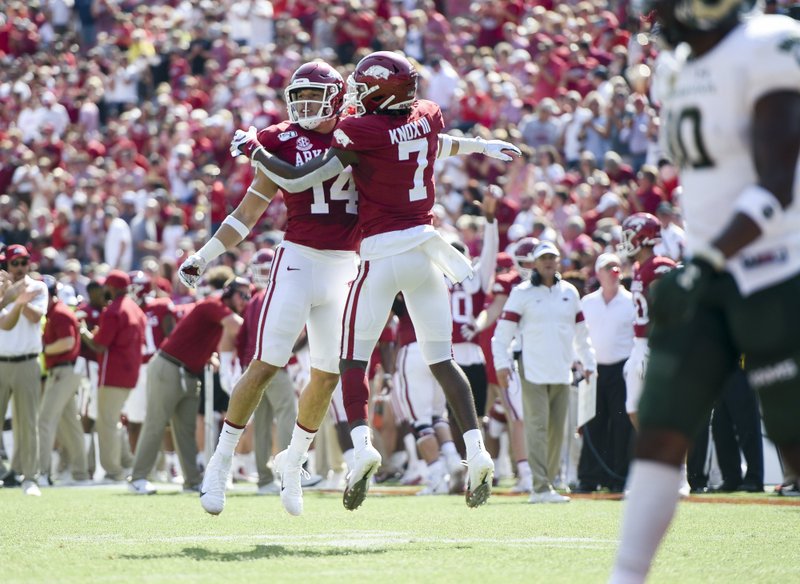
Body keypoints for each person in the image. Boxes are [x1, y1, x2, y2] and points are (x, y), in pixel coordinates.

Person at [184, 59, 518, 516]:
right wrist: (204, 255)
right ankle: (219, 463)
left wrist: (477, 145)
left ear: (341, 96)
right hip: (299, 257)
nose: (304, 107)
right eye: (297, 98)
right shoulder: (284, 136)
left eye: (313, 97)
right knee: (265, 364)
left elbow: (428, 144)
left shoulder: (359, 127)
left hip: (349, 262)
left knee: (327, 374)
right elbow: (249, 210)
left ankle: (295, 462)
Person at [610, 3, 800, 582]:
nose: (656, 12)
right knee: (663, 425)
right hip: (712, 274)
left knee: (793, 439)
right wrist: (705, 263)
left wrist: (709, 258)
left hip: (776, 271)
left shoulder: (769, 42)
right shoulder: (680, 64)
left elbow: (779, 177)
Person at [492, 241, 596, 503]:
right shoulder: (522, 292)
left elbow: (581, 334)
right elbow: (502, 334)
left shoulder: (570, 292)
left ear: (558, 261)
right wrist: (502, 363)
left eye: (553, 257)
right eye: (543, 258)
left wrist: (589, 362)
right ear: (535, 263)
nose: (548, 262)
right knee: (537, 425)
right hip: (532, 368)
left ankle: (548, 482)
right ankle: (540, 486)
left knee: (557, 429)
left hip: (561, 368)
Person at [128, 272, 248, 494]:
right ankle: (138, 477)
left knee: (186, 429)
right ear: (229, 293)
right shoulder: (213, 305)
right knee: (156, 422)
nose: (245, 300)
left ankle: (191, 480)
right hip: (169, 367)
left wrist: (208, 355)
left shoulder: (217, 311)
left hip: (188, 373)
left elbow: (201, 338)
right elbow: (239, 328)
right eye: (242, 295)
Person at [232, 248, 297, 495]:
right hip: (273, 365)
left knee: (261, 422)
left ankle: (264, 478)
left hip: (253, 368)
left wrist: (243, 366)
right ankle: (288, 474)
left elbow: (241, 338)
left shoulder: (253, 301)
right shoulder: (276, 295)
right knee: (286, 414)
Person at [80, 270, 146, 482]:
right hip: (131, 371)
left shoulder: (113, 311)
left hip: (113, 373)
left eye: (106, 287)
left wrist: (83, 331)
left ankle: (113, 471)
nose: (104, 291)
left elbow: (99, 345)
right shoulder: (135, 308)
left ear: (112, 287)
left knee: (105, 422)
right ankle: (127, 462)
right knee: (114, 420)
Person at [576, 253, 634, 493]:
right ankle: (589, 478)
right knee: (592, 424)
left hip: (622, 369)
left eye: (616, 266)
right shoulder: (587, 302)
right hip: (593, 369)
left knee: (621, 425)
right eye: (607, 267)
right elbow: (577, 334)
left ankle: (619, 478)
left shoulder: (631, 301)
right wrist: (578, 363)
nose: (613, 271)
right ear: (598, 273)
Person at [0, 245, 47, 495]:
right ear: (6, 265)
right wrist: (8, 295)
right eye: (14, 263)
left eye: (24, 262)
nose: (19, 268)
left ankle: (30, 478)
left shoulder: (38, 286)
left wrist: (18, 299)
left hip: (27, 361)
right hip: (1, 361)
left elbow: (34, 317)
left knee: (28, 423)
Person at [38, 275, 90, 486]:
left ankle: (42, 472)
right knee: (69, 423)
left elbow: (67, 342)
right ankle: (80, 472)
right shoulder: (54, 312)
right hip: (65, 370)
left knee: (45, 420)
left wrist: (43, 349)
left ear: (51, 295)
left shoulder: (59, 313)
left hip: (64, 370)